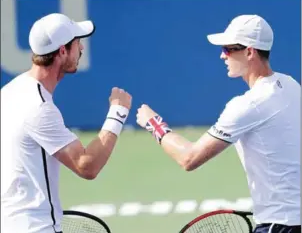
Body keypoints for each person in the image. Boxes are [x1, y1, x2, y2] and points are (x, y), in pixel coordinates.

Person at [136, 15, 300, 233]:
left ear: (250, 52)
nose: (223, 55)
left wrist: (153, 123)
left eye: (229, 49)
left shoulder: (248, 104)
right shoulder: (291, 85)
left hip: (280, 226)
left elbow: (189, 158)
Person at [1, 13, 132, 233]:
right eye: (77, 43)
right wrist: (117, 113)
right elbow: (87, 165)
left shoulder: (8, 93)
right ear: (62, 51)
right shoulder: (39, 108)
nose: (81, 48)